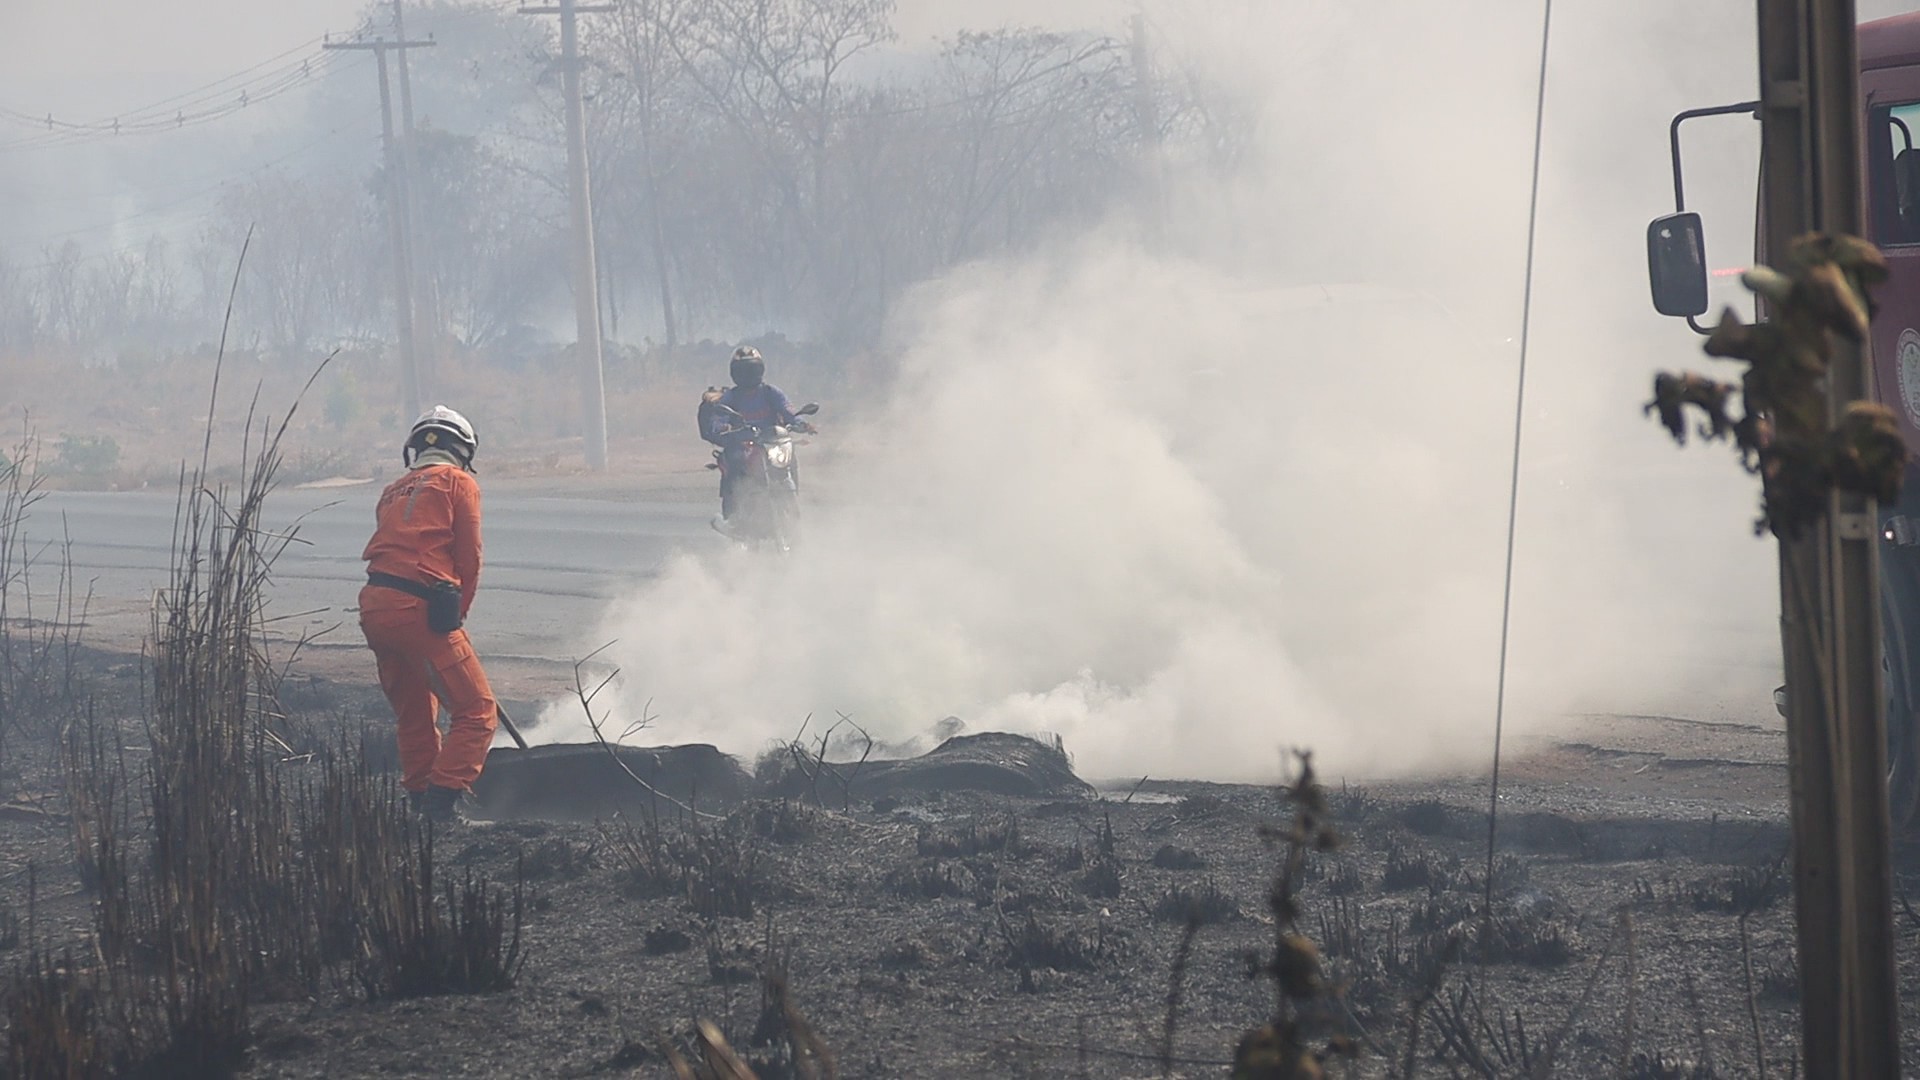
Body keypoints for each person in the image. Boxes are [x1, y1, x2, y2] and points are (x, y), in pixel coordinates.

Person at [358, 405, 498, 824]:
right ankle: (442, 805)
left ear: (414, 450)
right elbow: (468, 557)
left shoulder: (391, 491)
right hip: (418, 608)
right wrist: (457, 614)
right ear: (464, 452)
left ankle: (419, 799)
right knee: (476, 712)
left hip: (375, 607)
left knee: (416, 712)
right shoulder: (459, 482)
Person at [700, 345, 812, 535]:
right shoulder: (731, 397)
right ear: (735, 373)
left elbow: (788, 410)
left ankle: (791, 504)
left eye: (751, 369)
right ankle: (734, 519)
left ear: (760, 370)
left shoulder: (770, 392)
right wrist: (721, 427)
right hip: (744, 446)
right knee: (734, 461)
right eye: (743, 371)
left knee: (789, 457)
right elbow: (719, 417)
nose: (747, 375)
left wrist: (801, 423)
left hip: (771, 443)